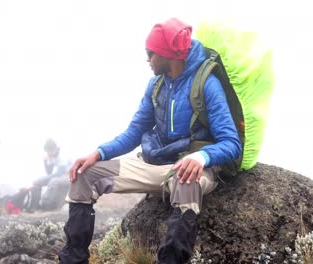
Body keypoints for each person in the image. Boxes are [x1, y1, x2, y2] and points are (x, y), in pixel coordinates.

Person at [58, 17, 242, 263]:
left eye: (151, 53)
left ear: (169, 55)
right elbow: (134, 132)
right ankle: (73, 259)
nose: (147, 59)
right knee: (84, 176)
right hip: (154, 164)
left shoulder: (208, 85)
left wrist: (201, 157)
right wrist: (99, 153)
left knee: (186, 182)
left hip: (193, 169)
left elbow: (231, 143)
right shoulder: (156, 85)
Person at [28, 138, 71, 211]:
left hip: (67, 175)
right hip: (59, 175)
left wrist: (51, 159)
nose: (47, 153)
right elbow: (49, 172)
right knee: (37, 181)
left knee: (53, 181)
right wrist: (45, 161)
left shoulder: (62, 154)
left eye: (48, 151)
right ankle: (35, 206)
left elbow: (60, 172)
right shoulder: (52, 155)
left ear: (53, 149)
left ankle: (47, 206)